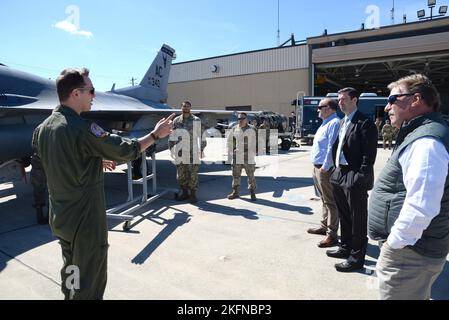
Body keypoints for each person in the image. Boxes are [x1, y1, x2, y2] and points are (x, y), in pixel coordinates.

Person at [37, 68, 174, 300]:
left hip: (62, 217)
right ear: (75, 93)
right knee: (89, 282)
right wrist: (155, 135)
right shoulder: (81, 128)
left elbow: (60, 160)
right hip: (85, 221)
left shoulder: (44, 128)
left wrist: (94, 159)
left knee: (72, 271)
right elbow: (126, 150)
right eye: (91, 90)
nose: (94, 96)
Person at [368, 74, 449, 300]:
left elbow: (422, 205)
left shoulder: (426, 141)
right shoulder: (420, 133)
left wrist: (395, 244)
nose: (386, 107)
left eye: (393, 99)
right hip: (413, 250)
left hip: (410, 253)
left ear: (415, 100)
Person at [326, 87, 378, 272]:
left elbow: (369, 154)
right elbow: (338, 147)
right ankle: (345, 248)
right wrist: (333, 170)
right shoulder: (342, 122)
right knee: (344, 215)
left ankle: (356, 258)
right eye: (338, 99)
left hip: (354, 175)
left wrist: (360, 176)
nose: (339, 102)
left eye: (343, 99)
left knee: (358, 218)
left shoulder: (364, 122)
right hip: (339, 173)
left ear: (354, 100)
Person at [307, 98, 340, 248]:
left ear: (331, 108)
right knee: (324, 200)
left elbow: (331, 147)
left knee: (331, 202)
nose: (318, 109)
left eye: (321, 107)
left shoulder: (334, 123)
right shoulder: (325, 123)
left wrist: (325, 166)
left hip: (324, 168)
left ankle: (332, 235)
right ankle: (324, 226)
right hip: (317, 167)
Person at [169, 101, 206, 204]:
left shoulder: (196, 120)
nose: (185, 108)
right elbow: (172, 135)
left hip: (192, 151)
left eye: (187, 106)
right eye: (184, 106)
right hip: (180, 152)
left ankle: (193, 194)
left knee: (193, 173)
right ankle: (185, 192)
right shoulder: (176, 120)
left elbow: (201, 135)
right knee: (180, 175)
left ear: (190, 108)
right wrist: (171, 147)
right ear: (181, 107)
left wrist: (202, 149)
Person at [227, 112, 257, 201]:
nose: (240, 120)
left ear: (246, 119)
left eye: (242, 118)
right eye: (239, 119)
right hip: (237, 156)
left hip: (249, 156)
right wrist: (232, 151)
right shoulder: (234, 128)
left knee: (250, 175)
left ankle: (252, 192)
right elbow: (230, 141)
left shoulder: (252, 129)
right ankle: (235, 192)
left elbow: (259, 140)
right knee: (235, 175)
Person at [31, 124, 49, 225]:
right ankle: (50, 216)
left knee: (38, 189)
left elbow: (33, 145)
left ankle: (39, 214)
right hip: (51, 161)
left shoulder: (38, 128)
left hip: (38, 160)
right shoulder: (56, 127)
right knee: (53, 188)